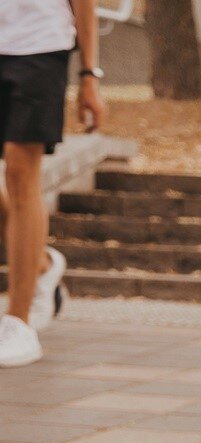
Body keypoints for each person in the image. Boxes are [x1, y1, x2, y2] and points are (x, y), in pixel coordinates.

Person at [0, 0, 105, 367]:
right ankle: (41, 264)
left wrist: (89, 74)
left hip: (38, 46)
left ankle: (18, 321)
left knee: (19, 174)